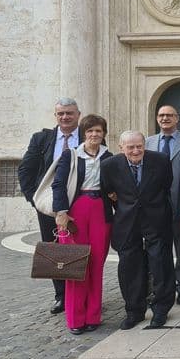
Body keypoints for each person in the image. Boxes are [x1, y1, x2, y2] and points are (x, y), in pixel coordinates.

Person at [100, 131, 176, 330]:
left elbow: (165, 187)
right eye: (130, 147)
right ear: (121, 148)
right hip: (127, 223)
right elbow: (108, 192)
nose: (135, 151)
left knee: (161, 265)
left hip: (157, 220)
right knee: (129, 268)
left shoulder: (161, 161)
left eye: (139, 146)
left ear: (145, 145)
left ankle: (161, 310)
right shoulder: (109, 165)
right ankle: (134, 311)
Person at [51, 114, 113, 335]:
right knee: (77, 265)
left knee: (96, 264)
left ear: (104, 133)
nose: (94, 134)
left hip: (101, 212)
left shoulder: (110, 157)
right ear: (84, 133)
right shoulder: (71, 155)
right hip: (76, 212)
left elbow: (115, 185)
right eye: (90, 131)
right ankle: (75, 319)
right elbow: (58, 185)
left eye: (98, 131)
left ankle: (93, 315)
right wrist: (61, 212)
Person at [18, 98, 81, 314]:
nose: (65, 117)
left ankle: (81, 294)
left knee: (81, 248)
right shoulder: (42, 138)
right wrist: (35, 200)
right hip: (49, 206)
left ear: (78, 115)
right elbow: (26, 170)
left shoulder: (90, 135)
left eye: (69, 113)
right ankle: (61, 296)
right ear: (56, 116)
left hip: (79, 204)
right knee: (54, 250)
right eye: (61, 113)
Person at [145, 105, 180, 305]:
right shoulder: (147, 143)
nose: (165, 118)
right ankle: (161, 288)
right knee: (159, 250)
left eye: (169, 115)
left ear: (177, 119)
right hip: (155, 207)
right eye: (161, 115)